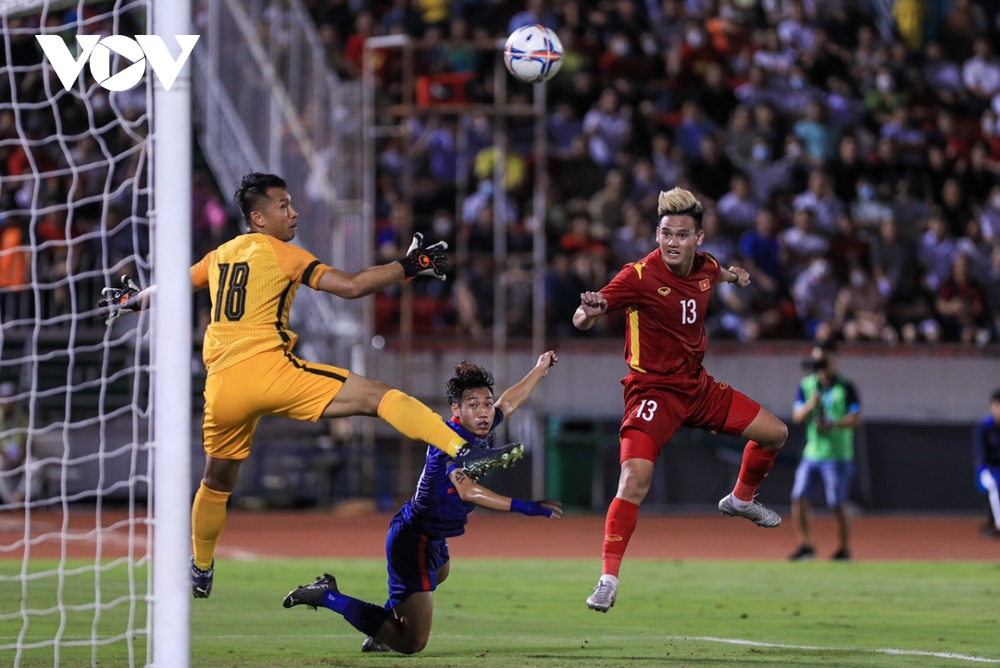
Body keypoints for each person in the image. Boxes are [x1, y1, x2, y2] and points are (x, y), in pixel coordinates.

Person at [98, 172, 524, 599]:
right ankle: (463, 449)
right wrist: (411, 266)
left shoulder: (220, 255)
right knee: (377, 396)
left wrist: (130, 301)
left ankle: (202, 567)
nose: (293, 212)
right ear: (258, 218)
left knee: (216, 483)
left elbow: (172, 288)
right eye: (283, 205)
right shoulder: (285, 254)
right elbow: (353, 287)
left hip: (222, 387)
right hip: (270, 372)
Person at [573, 188, 788, 614]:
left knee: (775, 433)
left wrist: (736, 276)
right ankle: (607, 580)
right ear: (656, 234)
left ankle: (740, 500)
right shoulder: (638, 275)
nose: (673, 243)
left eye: (682, 235)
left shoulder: (707, 267)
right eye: (666, 234)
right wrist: (589, 311)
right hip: (652, 391)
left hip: (697, 387)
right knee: (634, 480)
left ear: (699, 238)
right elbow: (584, 316)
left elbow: (715, 274)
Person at [281, 353, 563, 654]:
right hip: (414, 539)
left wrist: (538, 370)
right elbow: (468, 492)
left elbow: (509, 401)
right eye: (474, 405)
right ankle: (327, 596)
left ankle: (382, 628)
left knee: (441, 571)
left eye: (486, 403)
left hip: (431, 536)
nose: (484, 412)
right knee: (411, 642)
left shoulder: (480, 423)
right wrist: (527, 507)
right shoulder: (448, 439)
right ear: (456, 409)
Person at [788, 342, 862, 561]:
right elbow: (797, 416)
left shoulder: (846, 387)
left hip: (838, 455)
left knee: (837, 503)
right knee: (798, 497)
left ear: (833, 359)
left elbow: (856, 417)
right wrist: (812, 404)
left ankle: (844, 549)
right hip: (812, 453)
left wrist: (833, 424)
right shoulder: (807, 385)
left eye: (824, 359)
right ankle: (806, 545)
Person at [0, 382, 37, 505]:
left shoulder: (21, 416)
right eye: (5, 398)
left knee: (36, 466)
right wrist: (7, 457)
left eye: (10, 398)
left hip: (21, 456)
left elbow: (28, 439)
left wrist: (20, 457)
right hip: (4, 456)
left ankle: (20, 496)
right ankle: (9, 500)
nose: (8, 402)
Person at [973, 389, 1000, 538]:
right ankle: (997, 525)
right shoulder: (984, 426)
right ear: (993, 407)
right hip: (986, 470)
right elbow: (981, 455)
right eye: (998, 405)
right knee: (994, 484)